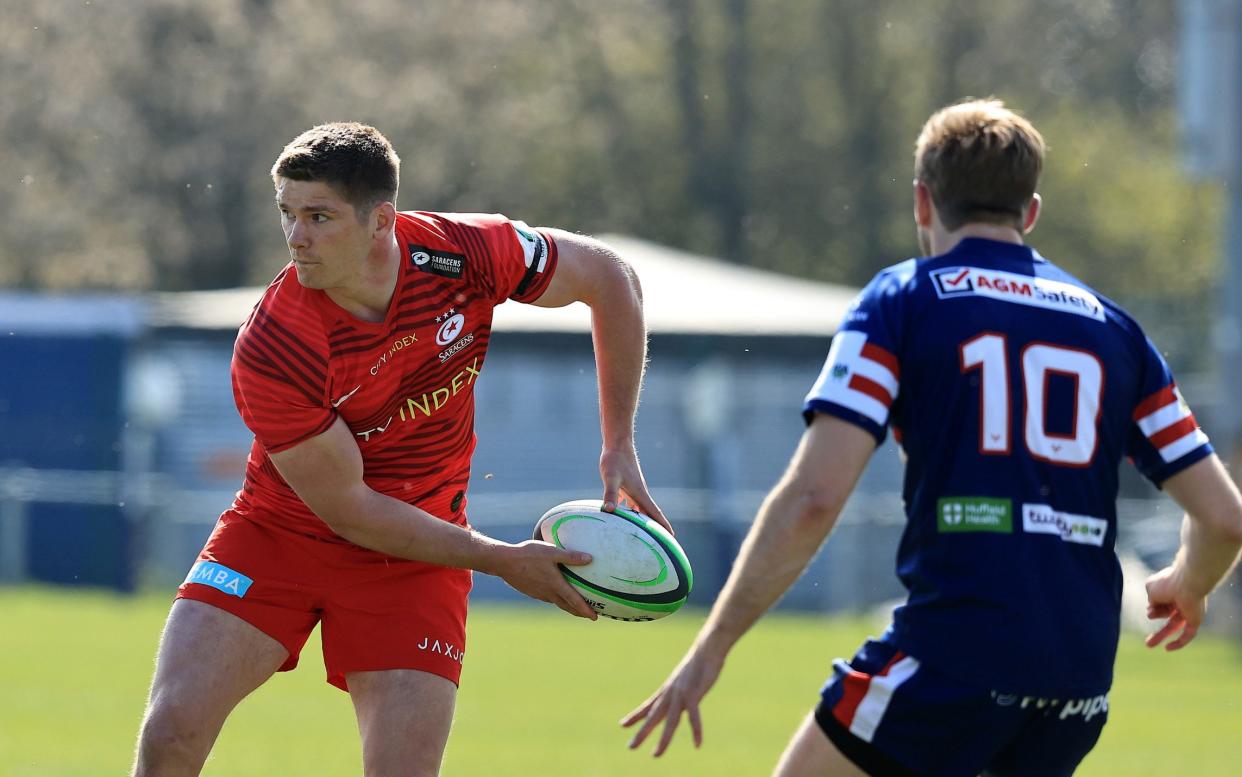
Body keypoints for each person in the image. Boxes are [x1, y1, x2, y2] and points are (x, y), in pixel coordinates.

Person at [622, 99, 1242, 776]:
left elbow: (814, 497)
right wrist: (1190, 581)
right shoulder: (1115, 329)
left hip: (954, 654)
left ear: (923, 203)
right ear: (1030, 212)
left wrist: (712, 646)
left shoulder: (903, 300)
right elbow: (1224, 518)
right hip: (1077, 680)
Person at [132, 122, 669, 776]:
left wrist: (620, 446)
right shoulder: (274, 343)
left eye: (319, 216)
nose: (296, 236)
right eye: (288, 215)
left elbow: (612, 279)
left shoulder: (467, 253)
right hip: (280, 536)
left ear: (381, 219)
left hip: (417, 555)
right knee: (171, 732)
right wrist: (504, 560)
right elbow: (350, 509)